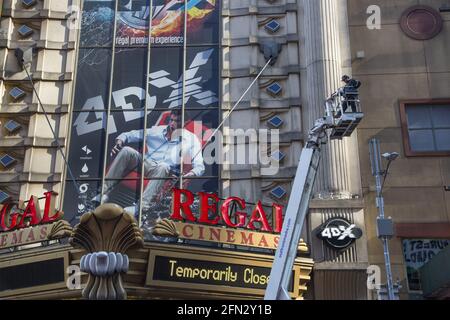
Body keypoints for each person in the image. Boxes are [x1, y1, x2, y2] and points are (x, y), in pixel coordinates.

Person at [93, 109, 205, 216]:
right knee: (127, 151)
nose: (172, 124)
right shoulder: (156, 130)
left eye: (177, 121)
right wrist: (120, 141)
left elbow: (200, 165)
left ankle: (141, 207)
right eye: (171, 120)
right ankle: (104, 193)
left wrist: (192, 173)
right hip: (146, 163)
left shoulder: (191, 139)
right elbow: (129, 134)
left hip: (163, 171)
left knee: (163, 166)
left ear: (186, 122)